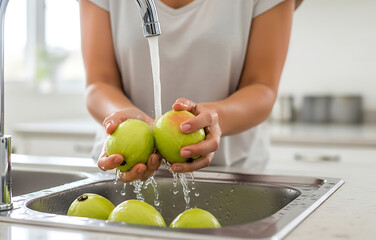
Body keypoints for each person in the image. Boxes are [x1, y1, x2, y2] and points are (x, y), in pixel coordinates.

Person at [79, 0, 301, 182]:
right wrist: (124, 119)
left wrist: (212, 118)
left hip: (233, 172)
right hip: (123, 166)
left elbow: (261, 87)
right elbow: (99, 82)